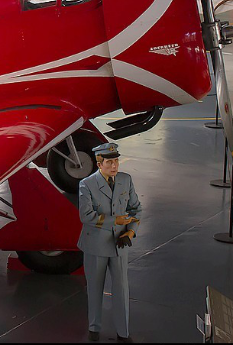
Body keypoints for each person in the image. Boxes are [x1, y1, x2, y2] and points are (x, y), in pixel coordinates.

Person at [78, 142, 142, 343]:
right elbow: (86, 216)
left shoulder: (125, 180)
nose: (115, 165)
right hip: (95, 245)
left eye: (116, 161)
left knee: (122, 290)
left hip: (120, 245)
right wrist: (117, 221)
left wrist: (130, 233)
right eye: (110, 162)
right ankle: (94, 328)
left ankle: (123, 333)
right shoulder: (86, 185)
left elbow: (136, 209)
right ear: (99, 164)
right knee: (94, 288)